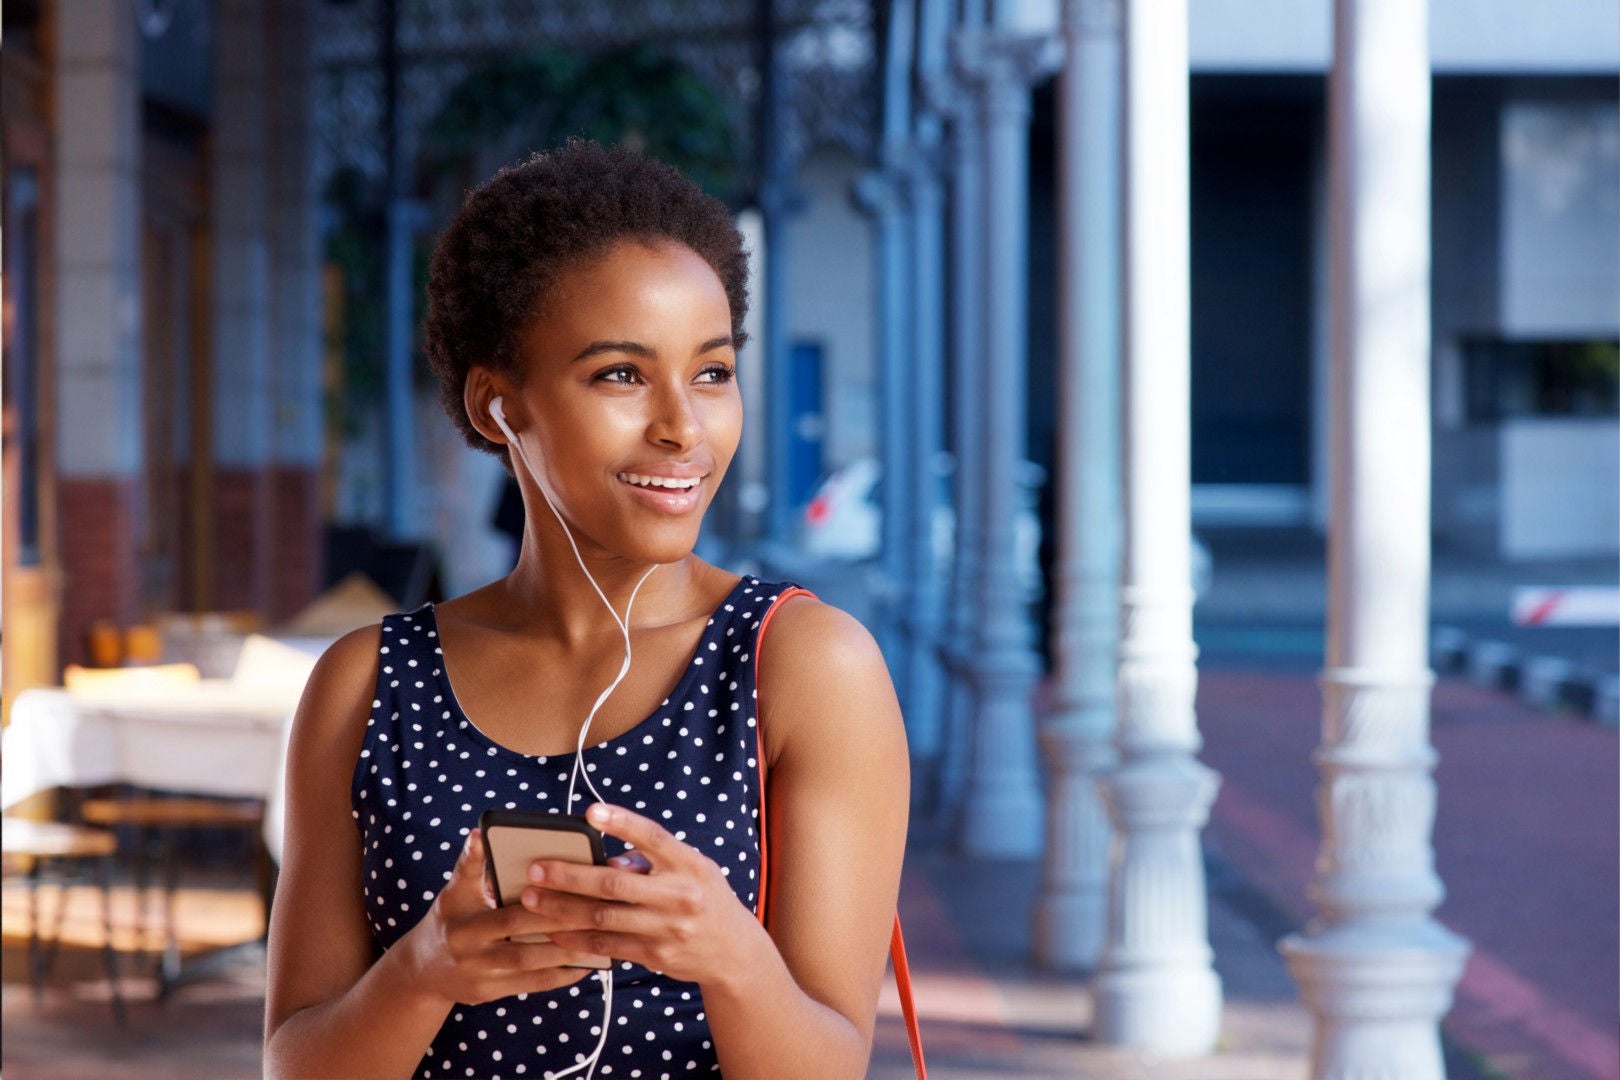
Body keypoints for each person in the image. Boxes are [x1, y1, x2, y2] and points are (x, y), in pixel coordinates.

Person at [263, 141, 910, 1079]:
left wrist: (728, 956)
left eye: (713, 372)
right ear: (497, 405)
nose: (682, 427)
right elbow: (294, 1064)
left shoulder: (802, 666)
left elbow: (832, 1065)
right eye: (620, 374)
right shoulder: (368, 685)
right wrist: (424, 972)